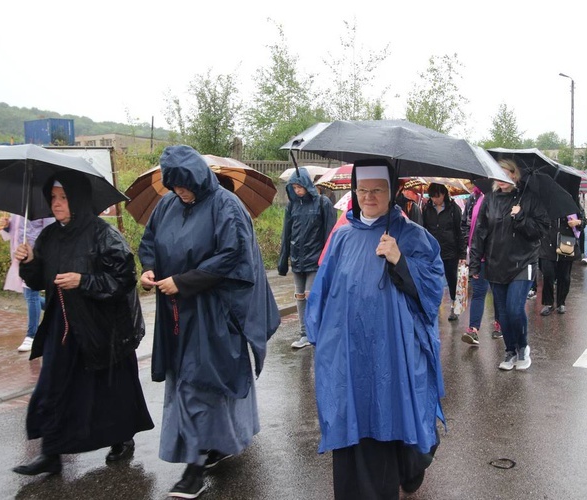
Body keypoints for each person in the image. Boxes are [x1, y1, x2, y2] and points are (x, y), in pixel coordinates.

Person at [139, 145, 280, 499]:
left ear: (198, 177)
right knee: (192, 381)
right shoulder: (169, 204)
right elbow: (151, 240)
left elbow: (233, 255)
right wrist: (149, 267)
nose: (179, 192)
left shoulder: (225, 205)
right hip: (176, 314)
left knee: (201, 382)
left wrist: (184, 282)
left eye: (184, 185)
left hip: (214, 312)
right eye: (173, 186)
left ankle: (193, 468)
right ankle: (215, 445)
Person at [306, 160, 445, 499]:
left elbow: (431, 291)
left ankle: (408, 468)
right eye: (362, 190)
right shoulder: (341, 236)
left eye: (377, 190)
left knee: (384, 423)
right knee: (349, 423)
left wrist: (400, 260)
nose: (368, 197)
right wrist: (320, 337)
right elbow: (322, 293)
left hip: (390, 354)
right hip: (347, 353)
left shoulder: (411, 235)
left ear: (391, 191)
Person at [12, 171, 154, 477]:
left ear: (78, 199)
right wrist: (29, 263)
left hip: (99, 327)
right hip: (60, 327)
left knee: (108, 389)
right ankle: (51, 453)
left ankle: (121, 436)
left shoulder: (103, 234)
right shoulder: (50, 236)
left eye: (63, 198)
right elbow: (38, 281)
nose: (57, 203)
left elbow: (124, 278)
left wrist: (84, 280)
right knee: (53, 386)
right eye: (53, 198)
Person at [470, 159, 549, 371]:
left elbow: (541, 230)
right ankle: (510, 350)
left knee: (515, 309)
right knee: (503, 313)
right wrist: (475, 264)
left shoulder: (529, 199)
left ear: (515, 175)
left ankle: (523, 347)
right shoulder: (489, 199)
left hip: (524, 262)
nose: (502, 180)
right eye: (498, 175)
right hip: (497, 263)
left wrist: (521, 216)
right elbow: (480, 234)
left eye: (506, 175)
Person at [278, 167, 336, 349]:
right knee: (300, 296)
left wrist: (328, 260)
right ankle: (304, 333)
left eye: (299, 186)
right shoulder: (292, 206)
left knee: (312, 296)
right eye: (293, 188)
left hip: (315, 260)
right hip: (297, 260)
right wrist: (283, 261)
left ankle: (314, 331)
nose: (297, 190)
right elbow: (286, 234)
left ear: (307, 184)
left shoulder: (322, 203)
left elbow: (330, 234)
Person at [0, 213, 54, 352]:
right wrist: (5, 226)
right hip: (18, 258)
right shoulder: (18, 208)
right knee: (29, 296)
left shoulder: (42, 207)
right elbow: (14, 231)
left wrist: (39, 254)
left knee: (31, 295)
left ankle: (32, 336)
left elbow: (51, 233)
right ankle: (57, 309)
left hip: (34, 259)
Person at [461, 183, 501, 345]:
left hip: (497, 256)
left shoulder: (501, 200)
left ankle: (499, 324)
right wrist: (469, 246)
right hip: (478, 254)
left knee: (498, 293)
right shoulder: (474, 198)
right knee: (478, 292)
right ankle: (473, 330)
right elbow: (466, 224)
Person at [422, 182, 467, 321]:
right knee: (433, 279)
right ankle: (433, 306)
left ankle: (454, 306)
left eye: (438, 196)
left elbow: (460, 232)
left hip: (450, 250)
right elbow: (423, 229)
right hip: (432, 251)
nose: (435, 199)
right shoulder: (427, 208)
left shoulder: (453, 209)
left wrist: (462, 253)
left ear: (444, 194)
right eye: (433, 197)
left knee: (451, 278)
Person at [539, 206, 586, 316]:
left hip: (566, 244)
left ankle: (561, 302)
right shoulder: (543, 202)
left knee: (564, 276)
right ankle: (548, 303)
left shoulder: (571, 203)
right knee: (548, 274)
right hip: (547, 244)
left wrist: (578, 222)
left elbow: (583, 221)